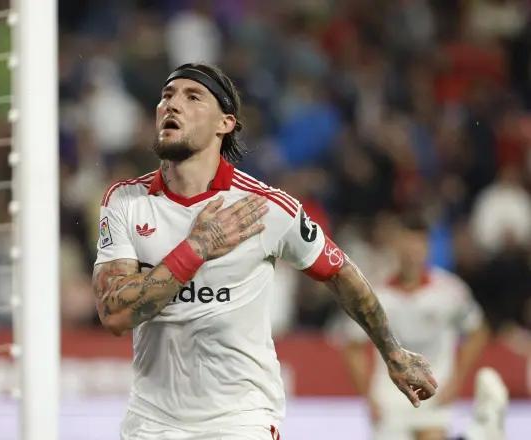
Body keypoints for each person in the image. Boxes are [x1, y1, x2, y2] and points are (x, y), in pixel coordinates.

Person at [91, 63, 438, 440]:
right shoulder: (126, 201)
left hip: (240, 420)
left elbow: (340, 272)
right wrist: (197, 248)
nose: (172, 104)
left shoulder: (265, 208)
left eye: (193, 97)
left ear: (225, 123)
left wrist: (392, 351)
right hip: (150, 423)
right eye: (167, 95)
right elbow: (115, 314)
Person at [340, 214, 489, 440]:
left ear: (427, 247)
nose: (412, 253)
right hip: (389, 400)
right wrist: (368, 397)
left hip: (435, 393)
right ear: (396, 246)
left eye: (418, 245)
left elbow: (478, 332)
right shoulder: (376, 293)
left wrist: (457, 381)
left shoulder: (449, 291)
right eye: (406, 244)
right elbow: (353, 346)